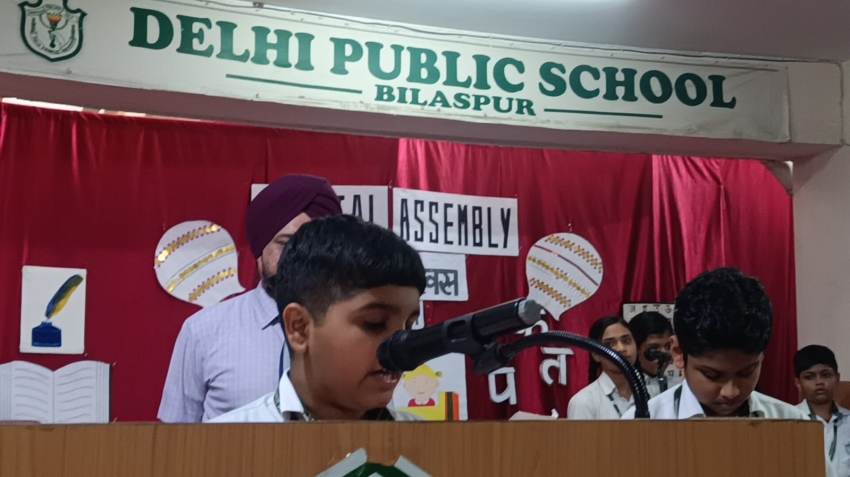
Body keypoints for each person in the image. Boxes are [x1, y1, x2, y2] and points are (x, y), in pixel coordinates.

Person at [158, 174, 342, 422]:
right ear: (259, 249)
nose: (298, 258)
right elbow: (175, 436)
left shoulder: (353, 330)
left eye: (312, 245)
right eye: (285, 244)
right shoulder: (203, 331)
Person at [211, 215, 424, 422]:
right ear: (299, 327)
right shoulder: (223, 441)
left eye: (409, 326)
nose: (402, 352)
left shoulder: (430, 441)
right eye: (375, 323)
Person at [621, 267, 810, 421]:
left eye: (746, 372)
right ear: (678, 353)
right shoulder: (641, 426)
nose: (730, 392)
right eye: (712, 375)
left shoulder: (794, 425)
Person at [794, 345, 850, 477]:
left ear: (837, 378)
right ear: (798, 383)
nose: (819, 382)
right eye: (809, 377)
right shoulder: (789, 421)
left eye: (826, 375)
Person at [567, 315, 638, 419]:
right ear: (596, 355)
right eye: (609, 344)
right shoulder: (583, 401)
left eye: (626, 341)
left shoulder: (652, 393)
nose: (621, 348)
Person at [629, 311, 676, 397]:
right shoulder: (624, 388)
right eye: (654, 348)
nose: (664, 353)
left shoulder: (677, 387)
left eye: (668, 346)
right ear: (635, 349)